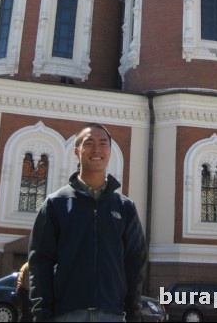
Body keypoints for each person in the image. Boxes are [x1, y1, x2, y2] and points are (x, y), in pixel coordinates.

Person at [29, 123, 147, 322]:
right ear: (77, 151)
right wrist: (42, 314)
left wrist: (133, 313)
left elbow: (135, 263)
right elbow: (40, 263)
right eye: (89, 143)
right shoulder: (56, 204)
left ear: (110, 151)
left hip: (112, 314)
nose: (97, 150)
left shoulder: (124, 207)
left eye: (103, 143)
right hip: (68, 314)